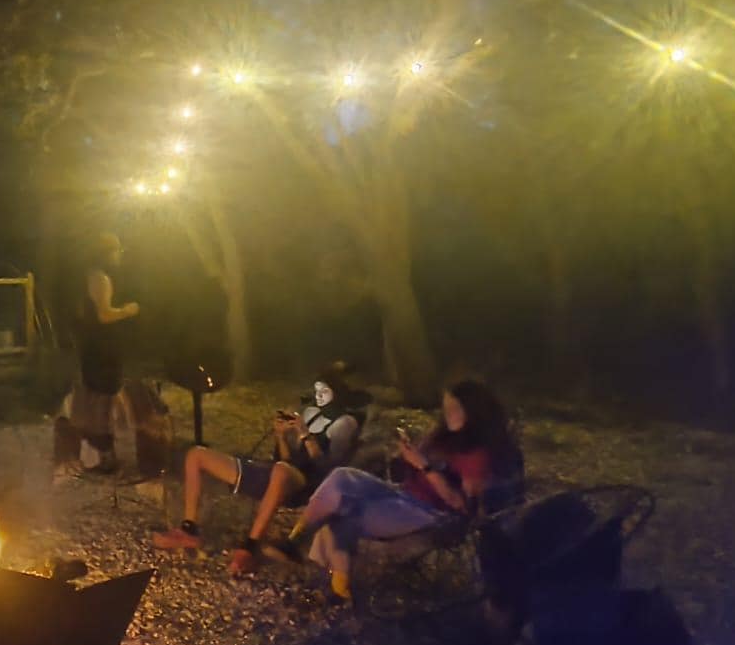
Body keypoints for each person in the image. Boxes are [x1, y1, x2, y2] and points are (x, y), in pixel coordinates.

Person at [296, 379, 520, 602]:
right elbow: (414, 466)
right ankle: (295, 539)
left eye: (455, 409)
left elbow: (461, 505)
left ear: (473, 412)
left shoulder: (476, 455)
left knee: (345, 514)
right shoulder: (442, 436)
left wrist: (423, 465)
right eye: (446, 408)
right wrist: (407, 453)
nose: (448, 414)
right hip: (403, 494)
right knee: (342, 476)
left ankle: (338, 588)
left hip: (430, 512)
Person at [153, 363, 369, 574]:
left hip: (308, 482)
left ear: (338, 393)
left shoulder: (345, 424)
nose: (319, 395)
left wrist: (305, 434)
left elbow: (327, 467)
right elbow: (285, 459)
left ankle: (250, 548)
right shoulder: (311, 412)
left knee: (281, 471)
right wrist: (280, 436)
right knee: (197, 455)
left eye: (325, 391)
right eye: (317, 390)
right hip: (281, 472)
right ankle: (188, 530)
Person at [55, 232, 139, 478]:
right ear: (106, 254)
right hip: (103, 348)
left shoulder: (85, 276)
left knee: (92, 397)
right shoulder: (100, 278)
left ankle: (89, 453)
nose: (119, 255)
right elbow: (104, 315)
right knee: (103, 399)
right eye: (116, 251)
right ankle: (105, 457)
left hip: (91, 346)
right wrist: (128, 311)